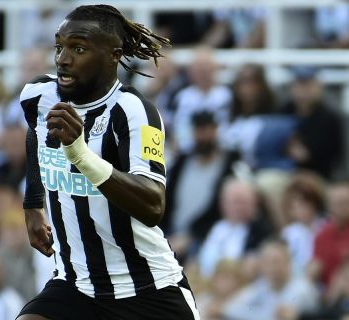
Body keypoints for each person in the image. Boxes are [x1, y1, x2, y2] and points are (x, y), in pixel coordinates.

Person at [18, 4, 200, 320]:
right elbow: (36, 135)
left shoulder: (134, 112)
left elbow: (152, 205)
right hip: (76, 288)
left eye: (78, 48)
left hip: (147, 291)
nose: (63, 59)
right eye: (59, 47)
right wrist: (33, 204)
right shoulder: (39, 94)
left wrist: (81, 155)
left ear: (113, 55)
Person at [161, 111, 240, 261]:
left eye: (207, 130)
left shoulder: (229, 163)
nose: (202, 136)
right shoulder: (182, 161)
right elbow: (168, 198)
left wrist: (191, 235)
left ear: (216, 130)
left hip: (205, 235)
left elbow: (218, 208)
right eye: (199, 130)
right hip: (171, 232)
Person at [222, 239, 319, 320]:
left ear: (288, 263)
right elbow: (235, 306)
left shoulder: (302, 289)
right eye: (267, 262)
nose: (273, 267)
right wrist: (223, 310)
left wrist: (226, 311)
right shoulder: (262, 285)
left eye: (277, 261)